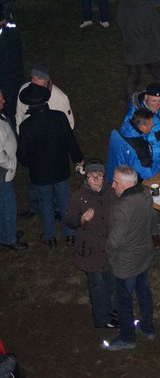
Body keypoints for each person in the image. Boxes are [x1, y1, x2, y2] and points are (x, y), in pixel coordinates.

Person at [16, 83, 84, 249]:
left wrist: (29, 163)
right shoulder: (59, 117)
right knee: (64, 201)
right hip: (60, 169)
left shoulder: (26, 126)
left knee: (45, 203)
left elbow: (23, 155)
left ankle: (50, 236)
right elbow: (70, 141)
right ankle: (70, 235)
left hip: (40, 174)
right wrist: (78, 159)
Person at [104, 165, 155, 351]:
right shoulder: (146, 194)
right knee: (144, 292)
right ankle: (148, 327)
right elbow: (151, 221)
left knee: (123, 300)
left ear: (126, 185)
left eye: (115, 182)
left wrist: (107, 250)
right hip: (144, 254)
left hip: (126, 263)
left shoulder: (122, 206)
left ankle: (127, 337)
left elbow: (115, 240)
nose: (112, 186)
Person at [16, 63, 76, 220]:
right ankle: (34, 206)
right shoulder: (25, 91)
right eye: (33, 77)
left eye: (39, 79)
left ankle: (57, 207)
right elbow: (19, 115)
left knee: (55, 179)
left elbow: (68, 125)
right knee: (31, 178)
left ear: (47, 80)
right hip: (32, 145)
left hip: (51, 146)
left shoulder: (59, 98)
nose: (35, 81)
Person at [65, 159, 118, 329]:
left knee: (112, 282)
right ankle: (102, 319)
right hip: (90, 252)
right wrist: (81, 220)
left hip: (110, 249)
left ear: (104, 176)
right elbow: (70, 220)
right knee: (97, 286)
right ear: (86, 178)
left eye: (99, 175)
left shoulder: (112, 192)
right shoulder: (79, 196)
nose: (95, 178)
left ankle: (115, 312)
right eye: (91, 175)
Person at [117, 0, 160, 101]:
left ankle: (131, 105)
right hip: (150, 49)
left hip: (132, 48)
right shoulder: (148, 6)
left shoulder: (123, 4)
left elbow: (120, 23)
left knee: (132, 79)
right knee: (159, 77)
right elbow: (157, 29)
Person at [124, 83, 160, 168]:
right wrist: (157, 136)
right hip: (152, 163)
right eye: (153, 101)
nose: (156, 104)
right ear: (146, 97)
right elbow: (132, 140)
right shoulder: (135, 114)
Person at [107, 108, 160, 182]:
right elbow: (147, 173)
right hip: (125, 182)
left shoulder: (124, 129)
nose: (152, 127)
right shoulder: (137, 147)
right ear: (142, 127)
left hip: (113, 174)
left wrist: (157, 136)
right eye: (151, 125)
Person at [0, 89, 27, 251]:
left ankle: (6, 231)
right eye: (1, 99)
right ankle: (8, 239)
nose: (3, 102)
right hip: (2, 173)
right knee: (8, 206)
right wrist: (9, 163)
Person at [0, 11, 23, 119]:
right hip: (16, 73)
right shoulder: (13, 29)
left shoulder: (3, 37)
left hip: (5, 78)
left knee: (8, 106)